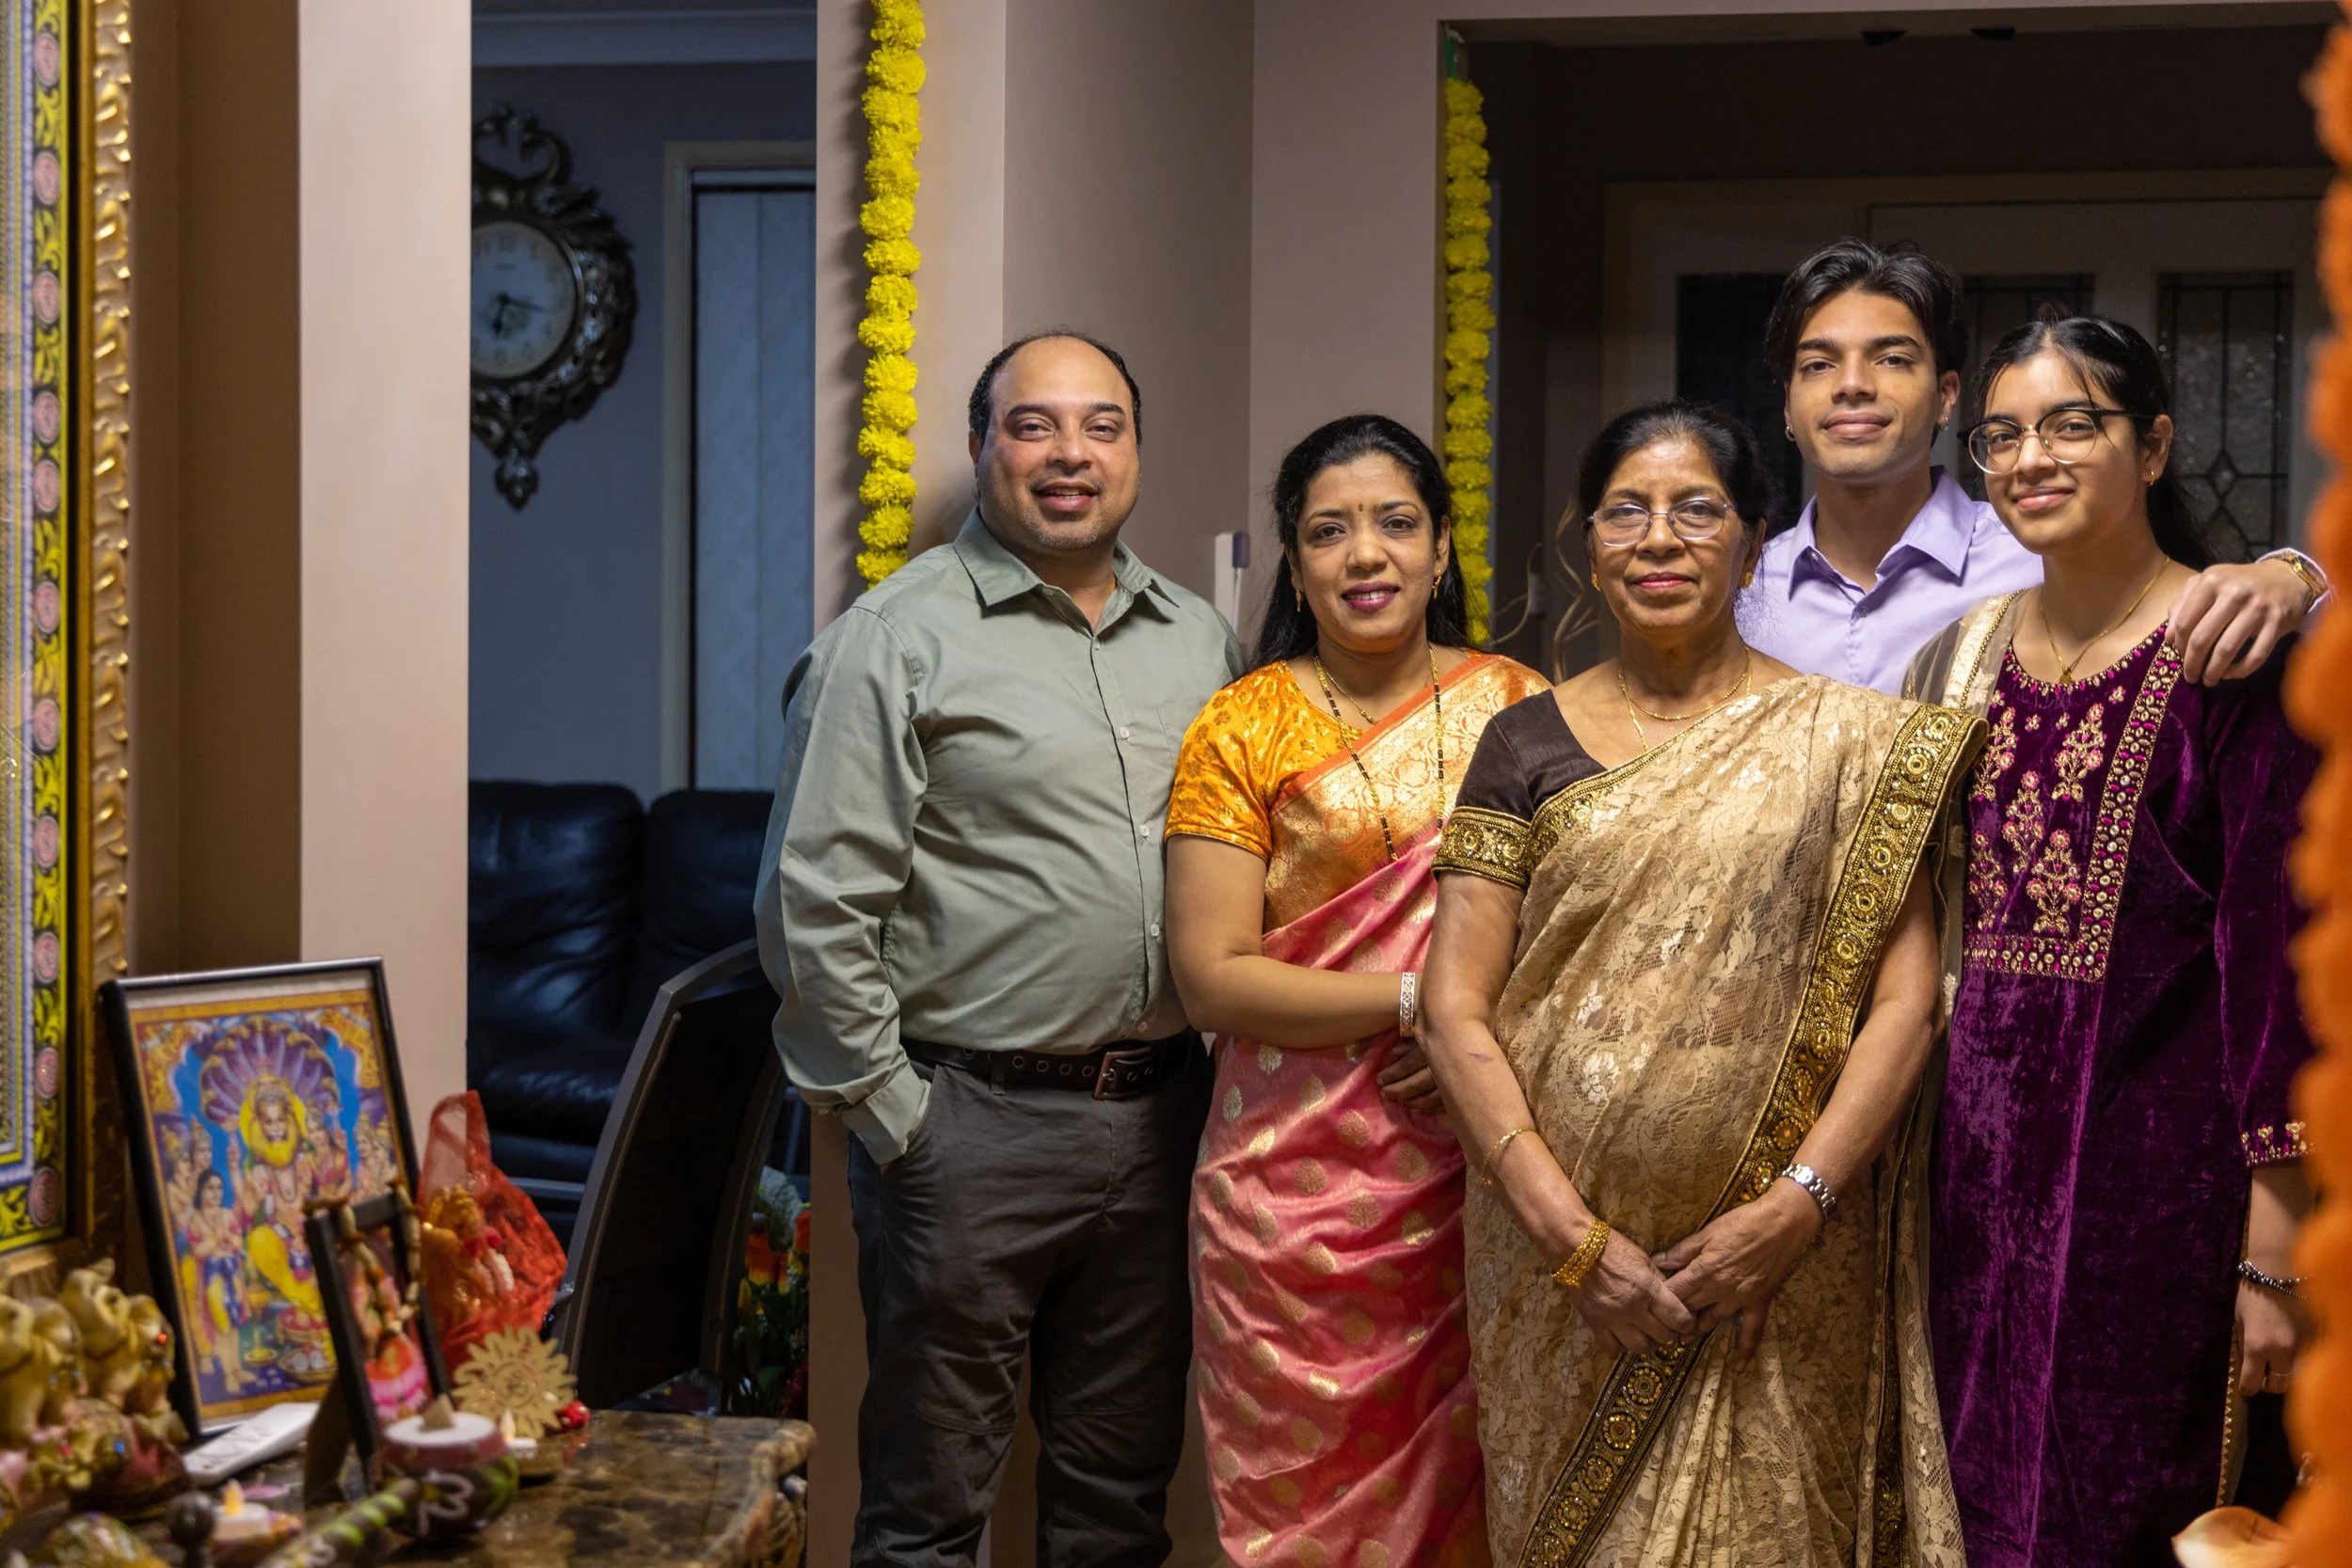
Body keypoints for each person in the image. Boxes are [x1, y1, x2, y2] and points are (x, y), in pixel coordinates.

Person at [1423, 400, 1981, 1566]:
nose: (1659, 537)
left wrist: (1797, 1203)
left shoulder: (1852, 743)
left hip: (1786, 1273)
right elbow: (1454, 1006)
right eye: (1625, 510)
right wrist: (1573, 1241)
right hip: (1558, 1278)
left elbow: (1905, 1000)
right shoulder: (1521, 743)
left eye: (1696, 509)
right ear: (1588, 541)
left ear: (1752, 536)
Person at [753, 332, 1241, 1568]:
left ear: (1135, 448)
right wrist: (896, 1113)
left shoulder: (1197, 638)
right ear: (982, 447)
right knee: (928, 1507)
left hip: (1161, 1119)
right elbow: (813, 898)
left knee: (1119, 1494)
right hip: (967, 1124)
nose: (1071, 452)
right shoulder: (897, 637)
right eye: (1033, 425)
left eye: (1103, 424)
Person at [1904, 314, 2316, 1567]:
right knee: (1977, 1500)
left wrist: (2277, 1240)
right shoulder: (1959, 657)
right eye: (2005, 435)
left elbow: (2284, 954)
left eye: (2072, 423)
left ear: (2154, 445)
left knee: (2143, 1502)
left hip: (2171, 1183)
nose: (2032, 457)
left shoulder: (2233, 646)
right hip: (1971, 1179)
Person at [1166, 414, 1548, 1568]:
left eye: (1395, 524)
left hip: (1478, 1166)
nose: (1364, 554)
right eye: (1329, 531)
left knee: (1473, 1492)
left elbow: (1585, 939)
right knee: (1303, 1513)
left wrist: (1481, 1027)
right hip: (1288, 1199)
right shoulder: (1239, 725)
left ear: (1440, 550)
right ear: (1295, 560)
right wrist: (1418, 999)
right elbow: (1211, 976)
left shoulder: (1527, 710)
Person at [1739, 237, 2325, 694]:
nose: (1852, 386)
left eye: (1892, 358)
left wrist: (2295, 576)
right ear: (1787, 403)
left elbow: (2193, 608)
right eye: (1818, 365)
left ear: (1947, 395)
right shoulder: (1737, 592)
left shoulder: (2043, 551)